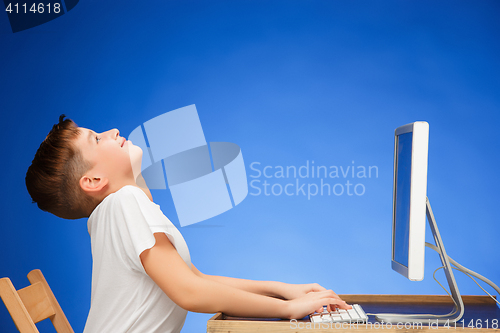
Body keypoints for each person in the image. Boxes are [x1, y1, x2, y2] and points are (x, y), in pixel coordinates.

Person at [25, 115, 350, 333]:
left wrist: (283, 291)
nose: (111, 132)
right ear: (94, 179)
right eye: (96, 139)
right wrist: (289, 309)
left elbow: (194, 277)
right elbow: (190, 292)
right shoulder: (124, 204)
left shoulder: (118, 210)